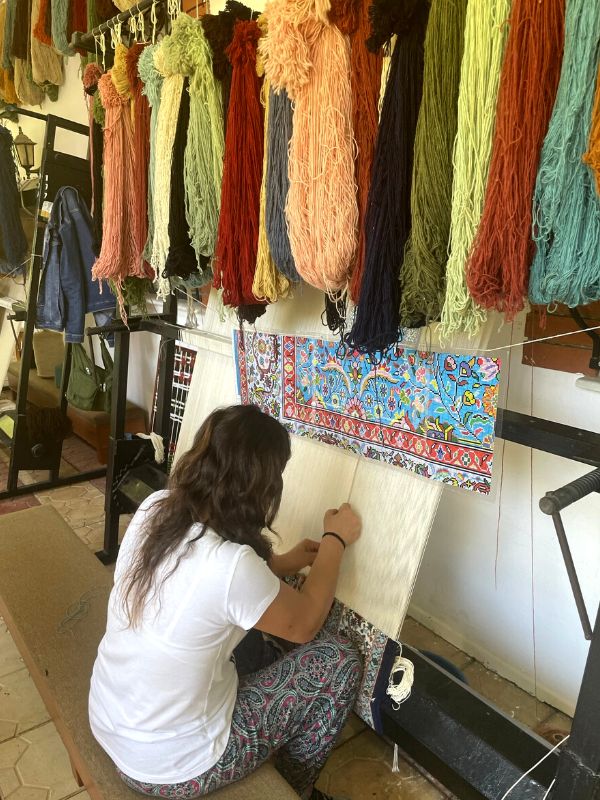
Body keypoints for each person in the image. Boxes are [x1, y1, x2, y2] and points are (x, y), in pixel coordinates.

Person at [89, 404, 363, 800]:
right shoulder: (231, 567)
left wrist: (283, 563)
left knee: (247, 640)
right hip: (172, 766)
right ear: (260, 487)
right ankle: (289, 788)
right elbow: (305, 624)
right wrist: (336, 538)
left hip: (114, 721)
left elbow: (208, 582)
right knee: (338, 661)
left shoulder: (156, 509)